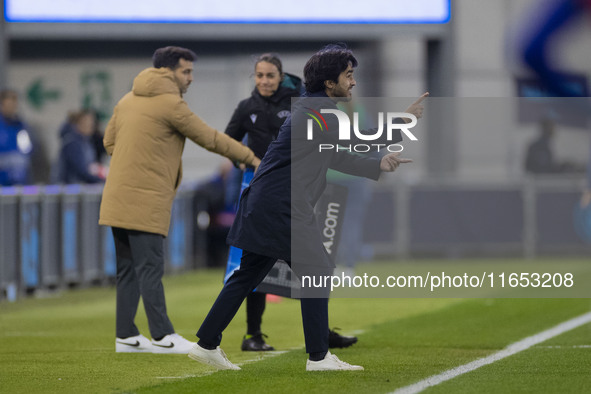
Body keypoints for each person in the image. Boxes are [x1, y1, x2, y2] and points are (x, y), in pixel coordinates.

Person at [189, 44, 427, 371]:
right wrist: (404, 120)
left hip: (268, 205)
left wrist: (377, 166)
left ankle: (206, 343)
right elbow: (363, 137)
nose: (353, 82)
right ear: (330, 83)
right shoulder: (318, 111)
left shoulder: (314, 109)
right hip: (281, 207)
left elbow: (337, 155)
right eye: (348, 75)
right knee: (316, 272)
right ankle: (319, 357)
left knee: (247, 276)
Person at [98, 46, 260, 354]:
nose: (190, 78)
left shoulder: (126, 100)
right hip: (145, 198)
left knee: (128, 268)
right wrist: (250, 157)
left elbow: (109, 143)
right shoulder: (170, 104)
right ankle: (162, 335)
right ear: (168, 72)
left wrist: (132, 166)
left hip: (117, 196)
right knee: (150, 266)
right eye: (186, 71)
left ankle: (127, 335)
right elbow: (210, 138)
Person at [224, 53, 358, 352]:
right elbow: (228, 142)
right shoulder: (247, 108)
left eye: (270, 75)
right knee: (262, 266)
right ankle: (254, 332)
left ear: (281, 76)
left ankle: (319, 333)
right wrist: (249, 161)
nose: (264, 81)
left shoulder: (299, 103)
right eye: (259, 76)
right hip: (265, 190)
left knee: (311, 264)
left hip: (300, 190)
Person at [54, 109, 106, 184]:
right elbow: (82, 171)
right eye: (88, 123)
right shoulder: (72, 144)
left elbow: (90, 167)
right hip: (70, 190)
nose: (91, 126)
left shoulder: (86, 142)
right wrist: (102, 181)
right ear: (80, 123)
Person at [0, 89, 33, 186]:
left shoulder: (20, 127)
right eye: (8, 105)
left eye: (14, 105)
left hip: (19, 181)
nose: (12, 108)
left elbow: (27, 151)